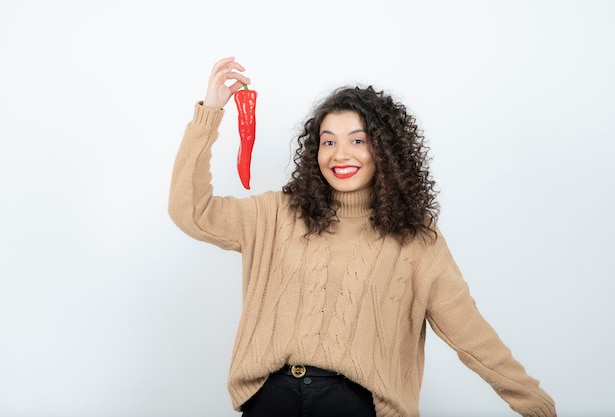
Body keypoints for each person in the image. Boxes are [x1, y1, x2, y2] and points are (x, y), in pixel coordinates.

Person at [168, 56, 557, 417]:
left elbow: (468, 332)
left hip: (355, 403)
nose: (340, 154)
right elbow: (191, 212)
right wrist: (210, 113)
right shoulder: (275, 214)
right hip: (272, 399)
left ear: (384, 149)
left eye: (357, 140)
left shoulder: (416, 240)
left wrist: (534, 403)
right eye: (328, 141)